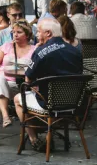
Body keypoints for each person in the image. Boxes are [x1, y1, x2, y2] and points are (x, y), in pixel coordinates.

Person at [16, 18, 82, 149]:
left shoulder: (41, 51)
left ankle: (33, 139)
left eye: (39, 31)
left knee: (18, 99)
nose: (36, 34)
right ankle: (48, 135)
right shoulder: (75, 50)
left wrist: (36, 52)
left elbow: (28, 79)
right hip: (73, 102)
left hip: (48, 103)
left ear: (48, 33)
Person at [0, 22, 37, 147]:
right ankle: (5, 116)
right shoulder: (6, 47)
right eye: (13, 32)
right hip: (4, 83)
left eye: (19, 32)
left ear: (27, 35)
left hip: (22, 86)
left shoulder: (34, 50)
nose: (15, 35)